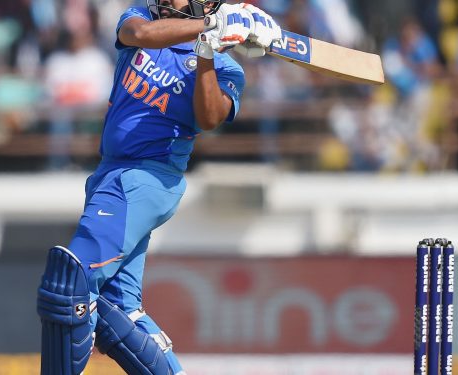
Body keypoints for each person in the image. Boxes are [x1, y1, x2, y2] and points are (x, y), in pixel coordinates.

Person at [35, 0, 282, 374]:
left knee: (70, 284)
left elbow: (209, 117)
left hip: (147, 177)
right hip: (110, 172)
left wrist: (207, 51)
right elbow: (141, 35)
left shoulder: (228, 69)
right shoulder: (143, 17)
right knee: (118, 311)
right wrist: (212, 25)